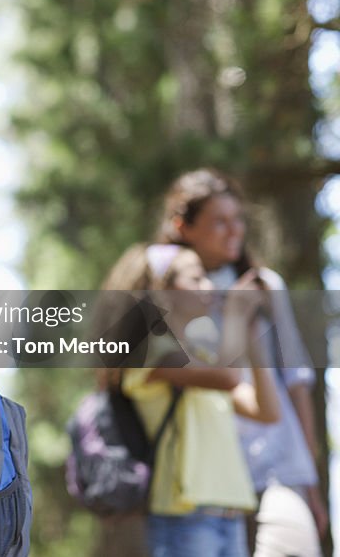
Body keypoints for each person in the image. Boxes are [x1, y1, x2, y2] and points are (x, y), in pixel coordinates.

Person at [158, 168, 326, 557]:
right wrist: (233, 314)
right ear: (184, 226)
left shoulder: (265, 286)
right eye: (219, 222)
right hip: (209, 472)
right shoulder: (173, 292)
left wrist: (312, 481)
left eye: (238, 220)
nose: (234, 231)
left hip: (279, 463)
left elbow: (297, 381)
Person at [107, 242, 280, 557]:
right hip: (184, 513)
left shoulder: (203, 354)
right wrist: (236, 314)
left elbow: (266, 411)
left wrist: (253, 339)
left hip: (229, 511)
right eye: (196, 278)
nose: (209, 286)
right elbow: (228, 378)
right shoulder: (151, 352)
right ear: (161, 292)